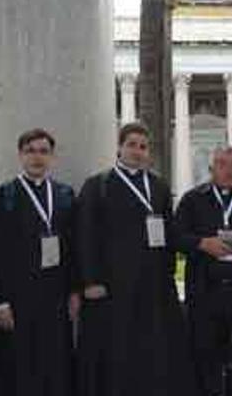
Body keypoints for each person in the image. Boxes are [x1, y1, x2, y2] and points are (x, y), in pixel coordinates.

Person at [75, 122, 195, 396]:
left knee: (151, 349)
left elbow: (167, 230)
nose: (138, 152)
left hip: (153, 284)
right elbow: (85, 235)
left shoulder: (159, 186)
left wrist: (167, 275)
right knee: (119, 349)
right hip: (114, 283)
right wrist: (91, 280)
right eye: (131, 145)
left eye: (143, 146)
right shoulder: (98, 185)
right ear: (119, 148)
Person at [0, 129, 80, 396]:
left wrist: (75, 291)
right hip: (19, 296)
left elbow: (75, 246)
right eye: (30, 151)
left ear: (52, 156)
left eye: (43, 151)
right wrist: (0, 301)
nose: (37, 157)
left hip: (56, 295)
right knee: (21, 364)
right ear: (20, 155)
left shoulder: (65, 193)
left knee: (57, 362)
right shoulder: (4, 194)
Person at [177, 146, 232, 396]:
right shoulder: (193, 200)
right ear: (211, 168)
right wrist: (203, 243)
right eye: (223, 164)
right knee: (206, 362)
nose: (229, 170)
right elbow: (177, 237)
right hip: (205, 298)